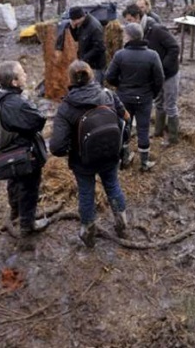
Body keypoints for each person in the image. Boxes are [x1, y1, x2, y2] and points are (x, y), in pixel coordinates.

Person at [49, 60, 130, 248]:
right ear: (92, 75)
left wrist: (73, 149)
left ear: (70, 79)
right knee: (112, 185)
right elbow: (125, 117)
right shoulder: (108, 95)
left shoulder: (66, 107)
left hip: (82, 162)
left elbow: (56, 146)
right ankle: (122, 222)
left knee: (86, 193)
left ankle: (88, 232)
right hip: (110, 154)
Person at [0, 61, 48, 234]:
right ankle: (27, 225)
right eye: (22, 73)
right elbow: (38, 120)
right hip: (22, 152)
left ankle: (15, 213)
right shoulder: (15, 104)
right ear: (14, 82)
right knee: (29, 188)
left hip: (6, 152)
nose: (26, 74)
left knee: (14, 183)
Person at [105, 23, 164, 171]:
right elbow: (159, 79)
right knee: (143, 129)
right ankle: (144, 163)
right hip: (144, 98)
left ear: (129, 37)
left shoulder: (120, 55)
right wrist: (152, 93)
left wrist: (120, 86)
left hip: (124, 97)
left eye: (125, 35)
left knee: (125, 127)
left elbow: (109, 76)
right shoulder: (152, 55)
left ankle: (124, 159)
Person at [122, 4, 180, 145]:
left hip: (170, 73)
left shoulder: (156, 29)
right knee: (159, 103)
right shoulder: (139, 32)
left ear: (137, 17)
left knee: (170, 105)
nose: (128, 24)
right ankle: (158, 131)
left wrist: (163, 67)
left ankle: (173, 138)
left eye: (130, 20)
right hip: (156, 75)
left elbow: (174, 47)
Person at [68, 6, 106, 83]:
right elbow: (76, 38)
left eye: (74, 21)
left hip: (95, 65)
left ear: (80, 18)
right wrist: (73, 28)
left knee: (95, 87)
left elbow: (100, 47)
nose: (74, 23)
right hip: (86, 63)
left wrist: (84, 59)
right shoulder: (82, 24)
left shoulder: (94, 27)